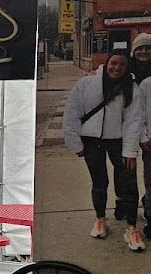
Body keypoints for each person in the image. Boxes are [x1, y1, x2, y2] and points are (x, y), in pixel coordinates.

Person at [62, 51, 144, 251]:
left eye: (122, 65)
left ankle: (131, 227)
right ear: (107, 63)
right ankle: (100, 219)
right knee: (99, 182)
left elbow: (133, 121)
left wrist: (130, 151)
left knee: (129, 183)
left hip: (118, 141)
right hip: (92, 141)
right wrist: (76, 144)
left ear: (127, 68)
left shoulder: (131, 89)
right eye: (114, 63)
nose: (117, 68)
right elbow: (72, 112)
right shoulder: (86, 84)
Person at [129, 32, 151, 221]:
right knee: (126, 170)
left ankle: (147, 203)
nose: (144, 51)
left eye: (147, 48)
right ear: (133, 51)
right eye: (140, 48)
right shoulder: (126, 68)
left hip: (145, 127)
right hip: (126, 125)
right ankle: (124, 203)